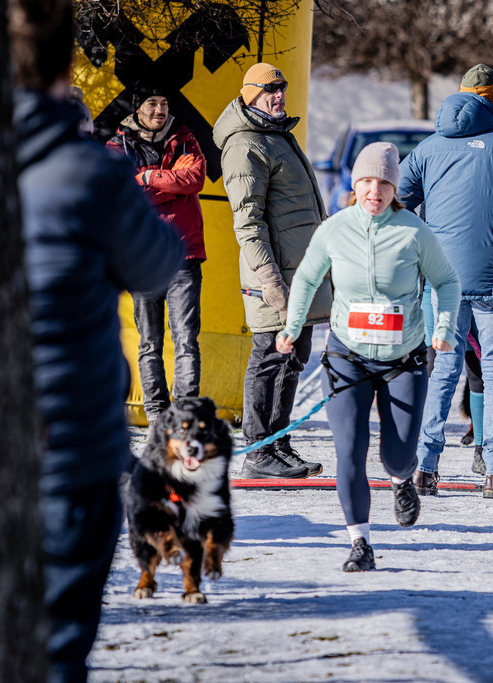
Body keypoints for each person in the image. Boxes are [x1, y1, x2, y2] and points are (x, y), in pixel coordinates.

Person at [11, 0, 184, 676]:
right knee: (58, 643)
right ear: (62, 73)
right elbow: (159, 262)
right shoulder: (88, 173)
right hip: (68, 446)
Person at [277, 142, 460, 571]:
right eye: (366, 181)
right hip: (347, 355)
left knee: (397, 454)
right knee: (350, 450)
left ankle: (401, 479)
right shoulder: (334, 228)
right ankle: (360, 542)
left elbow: (446, 282)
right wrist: (291, 327)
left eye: (383, 183)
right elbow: (305, 279)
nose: (374, 190)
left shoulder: (415, 231)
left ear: (395, 188)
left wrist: (444, 329)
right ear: (354, 184)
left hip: (404, 357)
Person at [399, 63, 493, 499]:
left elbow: (398, 200)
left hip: (439, 278)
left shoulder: (428, 147)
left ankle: (424, 467)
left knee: (441, 370)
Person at [213, 62, 332, 480]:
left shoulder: (276, 135)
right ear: (249, 95)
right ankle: (259, 450)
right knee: (269, 357)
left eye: (281, 88)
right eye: (269, 91)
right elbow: (248, 221)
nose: (278, 96)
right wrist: (269, 279)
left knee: (294, 358)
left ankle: (278, 445)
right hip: (276, 277)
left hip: (300, 274)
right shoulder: (245, 144)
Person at [106, 80, 207, 427]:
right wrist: (167, 183)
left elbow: (194, 179)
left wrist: (146, 177)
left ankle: (184, 414)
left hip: (185, 255)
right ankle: (155, 414)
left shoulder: (185, 138)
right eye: (151, 102)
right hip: (141, 255)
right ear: (138, 107)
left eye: (164, 103)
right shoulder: (116, 145)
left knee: (186, 341)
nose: (159, 110)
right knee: (149, 343)